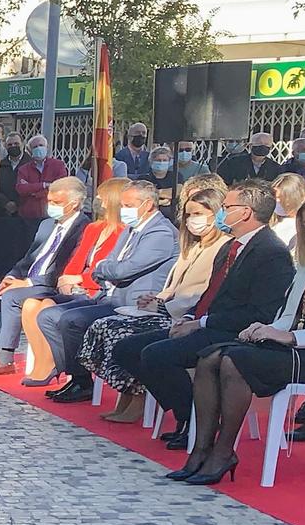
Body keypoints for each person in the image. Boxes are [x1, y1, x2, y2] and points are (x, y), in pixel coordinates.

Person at [171, 188, 305, 484]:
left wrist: (293, 338)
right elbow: (288, 314)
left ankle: (223, 451)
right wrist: (265, 330)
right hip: (293, 347)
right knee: (209, 357)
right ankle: (201, 449)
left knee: (233, 361)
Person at [117, 179, 298, 448]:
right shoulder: (231, 246)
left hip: (234, 332)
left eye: (227, 207)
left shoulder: (271, 253)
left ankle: (198, 421)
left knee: (156, 355)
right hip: (208, 323)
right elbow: (212, 294)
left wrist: (202, 323)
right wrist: (191, 318)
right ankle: (190, 412)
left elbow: (260, 312)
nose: (222, 213)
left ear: (246, 212)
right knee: (127, 348)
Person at [79, 180, 227, 421]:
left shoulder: (222, 247)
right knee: (106, 328)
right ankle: (126, 396)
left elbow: (199, 293)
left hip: (184, 316)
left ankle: (152, 402)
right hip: (164, 308)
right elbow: (173, 284)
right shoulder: (192, 245)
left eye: (198, 214)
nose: (191, 220)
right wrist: (159, 298)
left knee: (122, 335)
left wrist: (162, 305)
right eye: (189, 214)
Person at [34, 179, 179, 402]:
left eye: (129, 205)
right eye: (122, 205)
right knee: (48, 315)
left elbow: (124, 270)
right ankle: (76, 374)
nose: (123, 210)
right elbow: (108, 262)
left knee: (71, 320)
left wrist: (103, 269)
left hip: (132, 303)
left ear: (148, 204)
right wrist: (103, 269)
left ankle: (82, 380)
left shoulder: (160, 233)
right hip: (108, 295)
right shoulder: (131, 229)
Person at [0, 178, 90, 375]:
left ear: (73, 203)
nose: (51, 206)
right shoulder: (47, 224)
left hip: (50, 285)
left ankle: (6, 358)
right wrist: (11, 276)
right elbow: (29, 257)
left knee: (13, 297)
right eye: (50, 201)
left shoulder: (84, 228)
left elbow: (65, 266)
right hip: (29, 278)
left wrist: (28, 282)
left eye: (57, 202)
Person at [15, 186, 126, 387]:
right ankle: (44, 361)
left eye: (101, 198)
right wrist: (68, 277)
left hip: (96, 290)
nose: (96, 202)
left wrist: (80, 279)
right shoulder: (94, 228)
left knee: (48, 309)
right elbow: (77, 260)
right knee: (31, 304)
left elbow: (107, 269)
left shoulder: (122, 231)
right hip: (76, 287)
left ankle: (58, 366)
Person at [15, 135, 69, 219]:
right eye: (35, 147)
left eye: (41, 145)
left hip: (52, 215)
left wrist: (34, 193)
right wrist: (44, 185)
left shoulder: (58, 165)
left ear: (47, 147)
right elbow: (21, 189)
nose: (38, 148)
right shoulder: (23, 169)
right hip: (30, 216)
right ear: (29, 151)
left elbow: (60, 187)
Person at [217, 132, 284, 185]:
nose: (262, 146)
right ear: (251, 146)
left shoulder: (275, 168)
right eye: (259, 143)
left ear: (271, 147)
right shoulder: (234, 162)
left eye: (266, 144)